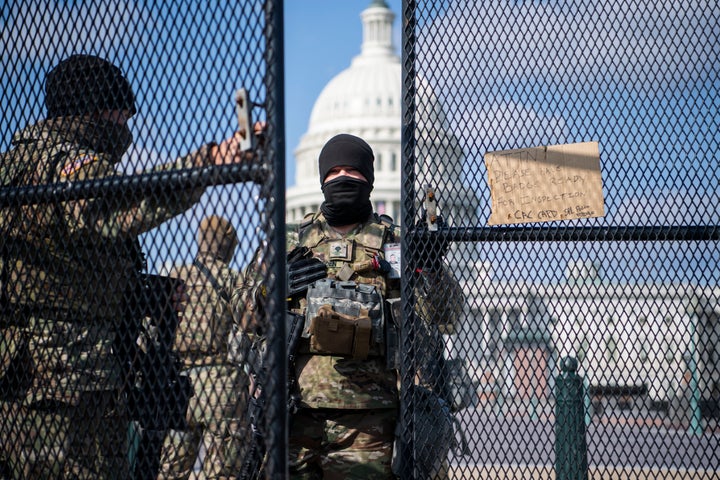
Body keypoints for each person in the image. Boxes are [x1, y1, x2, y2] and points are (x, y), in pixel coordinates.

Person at [0, 54, 257, 479]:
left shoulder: (13, 166)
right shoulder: (66, 165)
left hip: (32, 374)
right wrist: (212, 160)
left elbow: (55, 266)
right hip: (67, 381)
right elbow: (116, 203)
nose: (126, 130)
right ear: (95, 109)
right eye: (121, 116)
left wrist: (136, 291)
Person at [235, 133, 464, 479]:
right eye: (335, 171)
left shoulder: (396, 244)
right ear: (322, 178)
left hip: (370, 418)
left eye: (354, 171)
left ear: (369, 180)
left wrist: (430, 267)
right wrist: (272, 290)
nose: (343, 178)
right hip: (294, 410)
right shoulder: (288, 244)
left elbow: (445, 316)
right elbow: (243, 318)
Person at [157, 215, 249, 479]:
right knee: (223, 472)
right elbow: (249, 322)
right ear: (229, 246)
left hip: (177, 384)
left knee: (169, 471)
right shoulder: (232, 278)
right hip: (221, 385)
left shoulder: (174, 276)